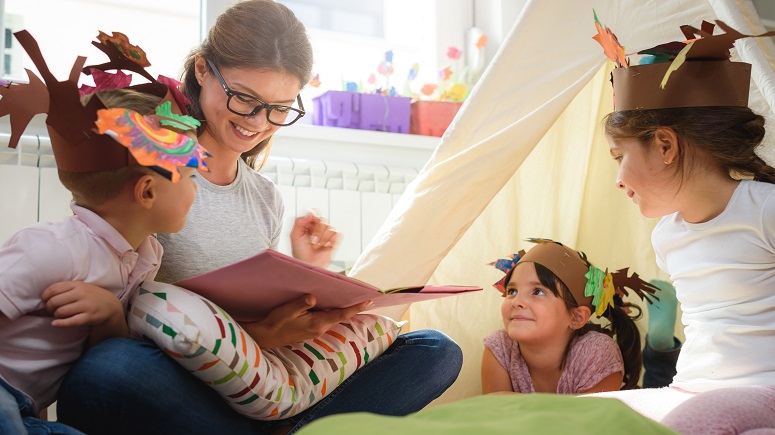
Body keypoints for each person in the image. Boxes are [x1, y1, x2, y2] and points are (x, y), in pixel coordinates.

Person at [57, 1, 462, 434]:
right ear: (202, 70)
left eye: (279, 108)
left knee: (434, 350)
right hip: (176, 377)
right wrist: (258, 336)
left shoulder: (264, 196)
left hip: (257, 383)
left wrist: (307, 273)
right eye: (244, 98)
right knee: (110, 370)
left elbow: (264, 320)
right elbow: (113, 294)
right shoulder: (154, 164)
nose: (258, 121)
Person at [0, 29, 208, 435]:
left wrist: (111, 315)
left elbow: (105, 360)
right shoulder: (53, 248)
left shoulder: (146, 257)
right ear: (147, 191)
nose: (196, 187)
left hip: (28, 406)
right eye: (189, 174)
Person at [592, 15, 775, 430]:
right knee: (588, 414)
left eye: (620, 157)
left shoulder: (765, 210)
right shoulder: (667, 237)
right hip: (690, 388)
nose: (618, 180)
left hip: (764, 389)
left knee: (698, 418)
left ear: (664, 145)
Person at [482, 240, 657, 394]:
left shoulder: (596, 353)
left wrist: (511, 402)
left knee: (661, 392)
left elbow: (590, 424)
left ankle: (661, 347)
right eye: (512, 291)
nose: (516, 301)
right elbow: (496, 419)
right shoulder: (500, 348)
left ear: (576, 318)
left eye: (538, 291)